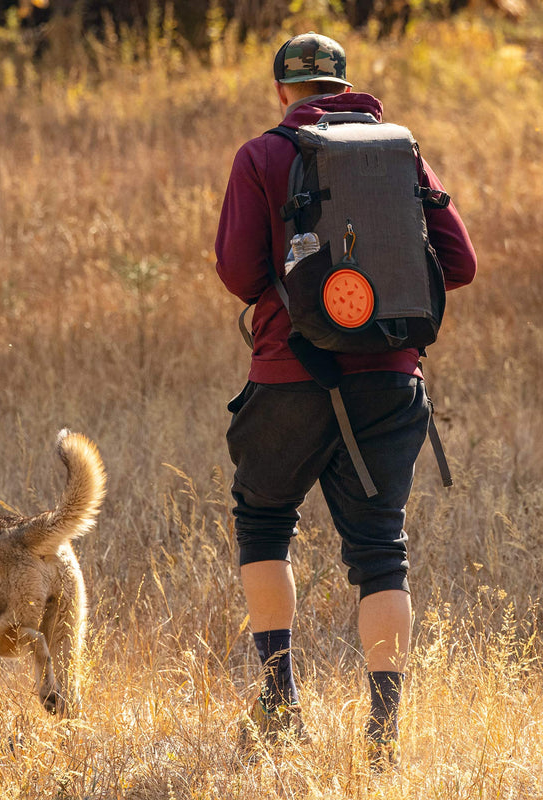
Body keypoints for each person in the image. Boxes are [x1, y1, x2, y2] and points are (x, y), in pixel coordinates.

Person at [215, 32, 477, 767]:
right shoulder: (400, 149)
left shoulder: (262, 155)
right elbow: (460, 263)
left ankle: (278, 703)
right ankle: (384, 736)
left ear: (282, 92)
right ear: (344, 85)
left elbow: (240, 273)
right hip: (393, 380)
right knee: (381, 553)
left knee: (264, 522)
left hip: (288, 376)